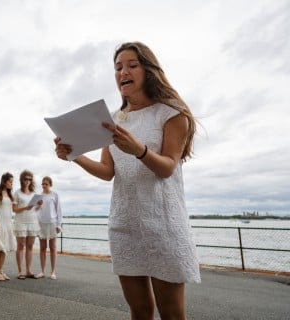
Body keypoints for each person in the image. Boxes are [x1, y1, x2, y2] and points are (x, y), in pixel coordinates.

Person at [54, 41, 200, 319]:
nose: (123, 72)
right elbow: (107, 171)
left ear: (149, 70)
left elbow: (168, 167)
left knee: (172, 313)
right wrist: (74, 156)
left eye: (132, 65)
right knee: (140, 310)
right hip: (125, 225)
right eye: (118, 67)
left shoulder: (172, 112)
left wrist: (139, 150)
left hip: (164, 225)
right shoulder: (112, 119)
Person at [12, 170, 42, 279]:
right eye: (26, 179)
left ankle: (28, 271)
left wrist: (39, 205)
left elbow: (36, 209)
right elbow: (14, 209)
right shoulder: (17, 193)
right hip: (20, 222)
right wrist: (26, 208)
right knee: (21, 246)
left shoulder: (34, 194)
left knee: (30, 246)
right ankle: (20, 271)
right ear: (22, 180)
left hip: (33, 222)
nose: (28, 181)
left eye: (30, 179)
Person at [0, 172, 17, 281]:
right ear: (4, 181)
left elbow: (13, 209)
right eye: (10, 181)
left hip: (8, 223)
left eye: (12, 182)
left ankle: (1, 270)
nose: (11, 183)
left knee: (4, 249)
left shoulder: (10, 194)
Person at [35, 176, 62, 280]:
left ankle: (53, 271)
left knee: (53, 248)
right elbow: (32, 209)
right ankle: (42, 271)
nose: (44, 186)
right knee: (42, 248)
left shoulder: (55, 195)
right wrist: (37, 205)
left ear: (50, 184)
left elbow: (58, 210)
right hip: (41, 224)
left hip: (52, 223)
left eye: (46, 184)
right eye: (43, 184)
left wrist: (59, 225)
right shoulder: (38, 196)